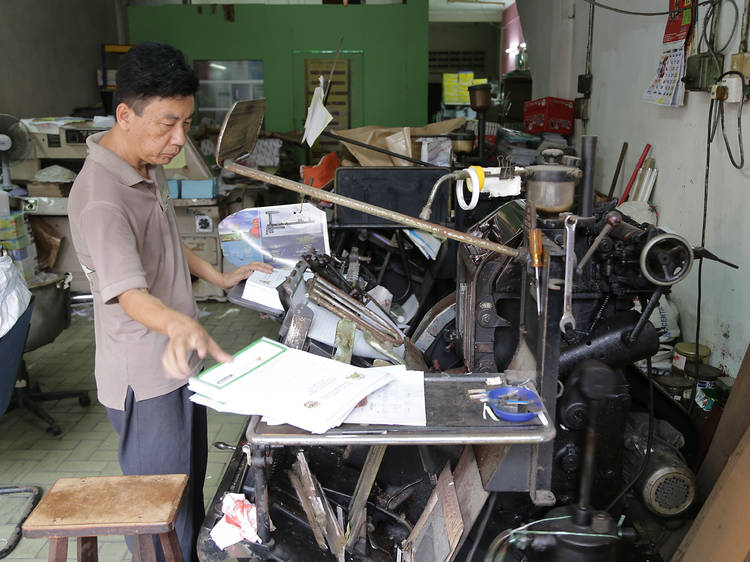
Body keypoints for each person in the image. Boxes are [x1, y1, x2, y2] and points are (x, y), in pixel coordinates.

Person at [68, 42, 271, 561]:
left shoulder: (140, 163)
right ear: (125, 114)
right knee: (160, 517)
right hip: (149, 378)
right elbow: (129, 294)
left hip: (181, 368)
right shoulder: (102, 198)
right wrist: (181, 327)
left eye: (185, 122)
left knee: (189, 498)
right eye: (166, 124)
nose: (178, 140)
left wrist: (218, 278)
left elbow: (162, 243)